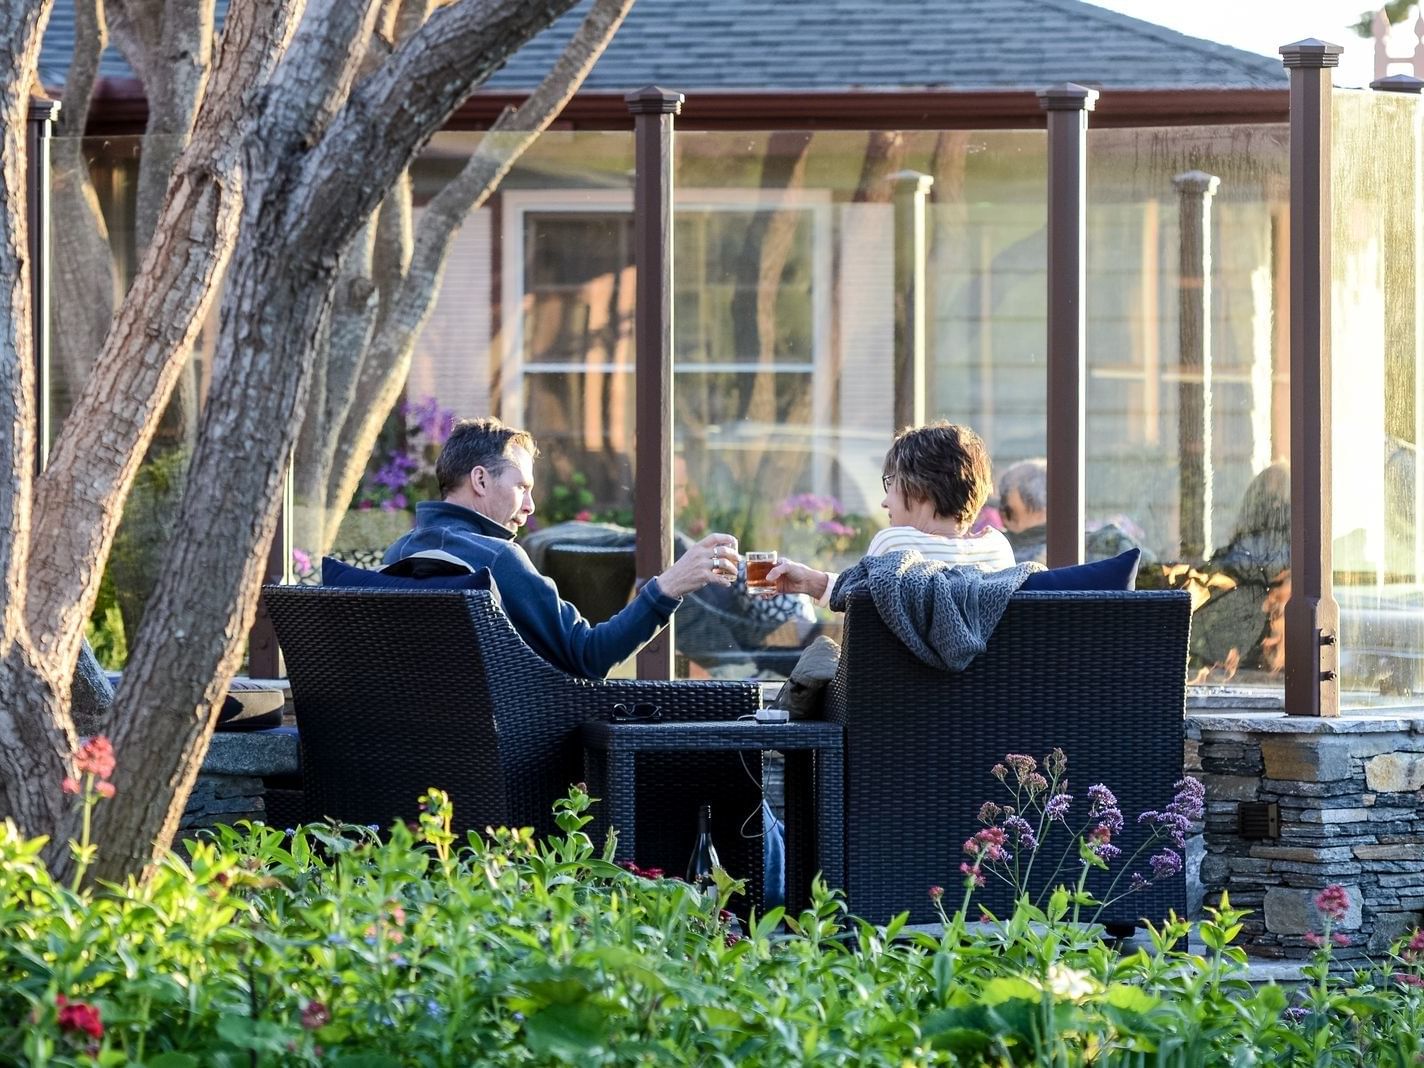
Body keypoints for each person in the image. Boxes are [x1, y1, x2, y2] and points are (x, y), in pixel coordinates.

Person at [383, 417, 739, 679]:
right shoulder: (497, 559)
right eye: (522, 487)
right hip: (518, 755)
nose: (530, 506)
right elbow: (589, 655)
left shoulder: (396, 558)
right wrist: (669, 585)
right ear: (480, 479)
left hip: (420, 756)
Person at [764, 421, 1016, 603]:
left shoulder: (896, 545)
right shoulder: (998, 548)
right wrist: (810, 581)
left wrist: (811, 582)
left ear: (920, 490)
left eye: (890, 483)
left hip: (898, 678)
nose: (885, 502)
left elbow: (854, 603)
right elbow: (856, 590)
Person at [996, 457, 1147, 565]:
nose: (1002, 518)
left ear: (1042, 509)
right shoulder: (1112, 543)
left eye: (1009, 512)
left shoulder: (1004, 553)